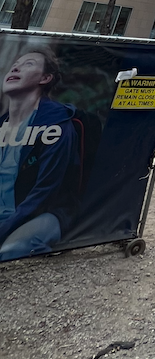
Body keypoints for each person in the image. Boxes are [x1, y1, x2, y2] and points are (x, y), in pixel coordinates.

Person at [0, 48, 81, 261]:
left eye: (28, 64)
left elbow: (45, 191)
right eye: (15, 63)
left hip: (44, 212)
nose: (16, 67)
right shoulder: (2, 124)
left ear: (45, 78)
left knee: (10, 251)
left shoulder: (57, 124)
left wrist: (5, 228)